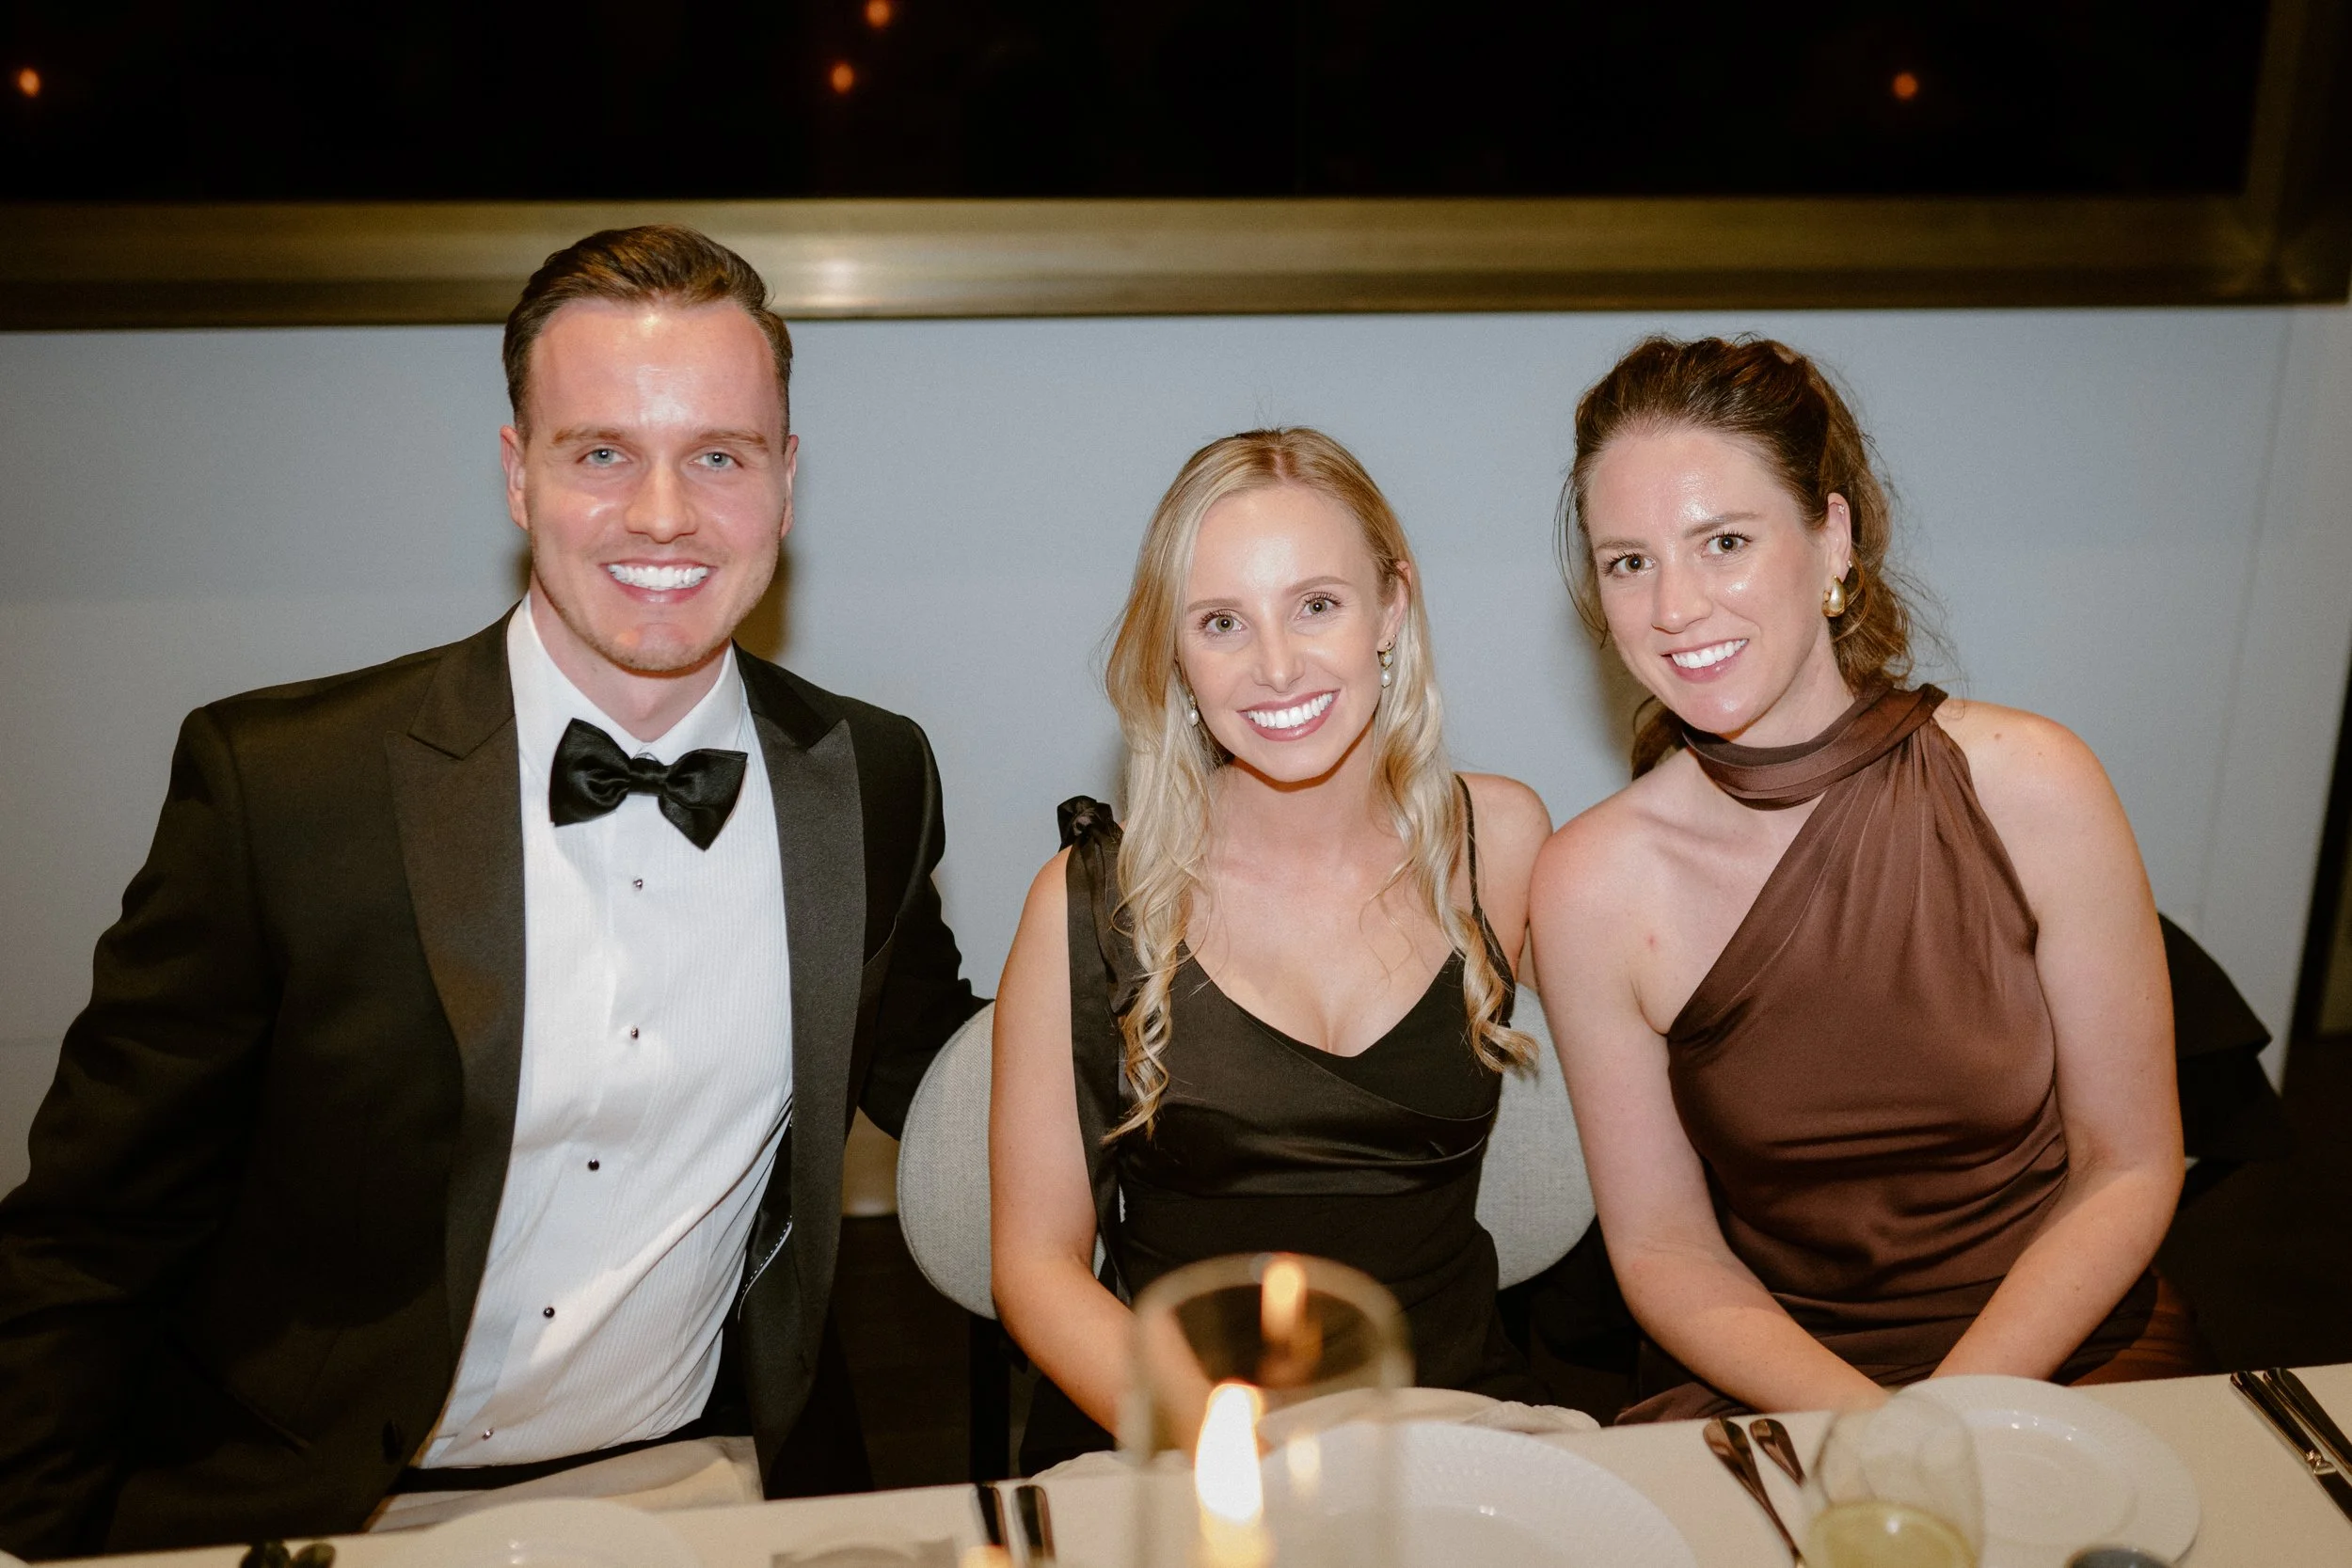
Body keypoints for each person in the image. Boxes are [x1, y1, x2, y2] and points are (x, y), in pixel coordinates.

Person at [0, 225, 981, 1555]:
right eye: (600, 453)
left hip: (697, 1482)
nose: (662, 514)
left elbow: (966, 1090)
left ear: (786, 481)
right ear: (517, 474)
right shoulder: (285, 787)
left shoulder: (869, 774)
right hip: (327, 1504)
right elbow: (88, 1234)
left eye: (718, 454)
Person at [1530, 335, 2200, 1422]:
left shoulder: (2035, 784)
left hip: (2065, 1352)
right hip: (1773, 1385)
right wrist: (1871, 1431)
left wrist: (1953, 1416)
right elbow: (1662, 1249)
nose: (1674, 605)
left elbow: (2127, 1165)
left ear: (1829, 535)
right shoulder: (1591, 882)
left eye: (1725, 540)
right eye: (1628, 561)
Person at [991, 427, 1559, 1466]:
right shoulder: (1089, 900)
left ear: (1391, 605)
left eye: (1317, 604)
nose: (1277, 664)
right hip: (1174, 1442)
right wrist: (1225, 1452)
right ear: (1175, 649)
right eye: (1221, 621)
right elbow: (1034, 1265)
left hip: (1452, 1436)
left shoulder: (1503, 843)